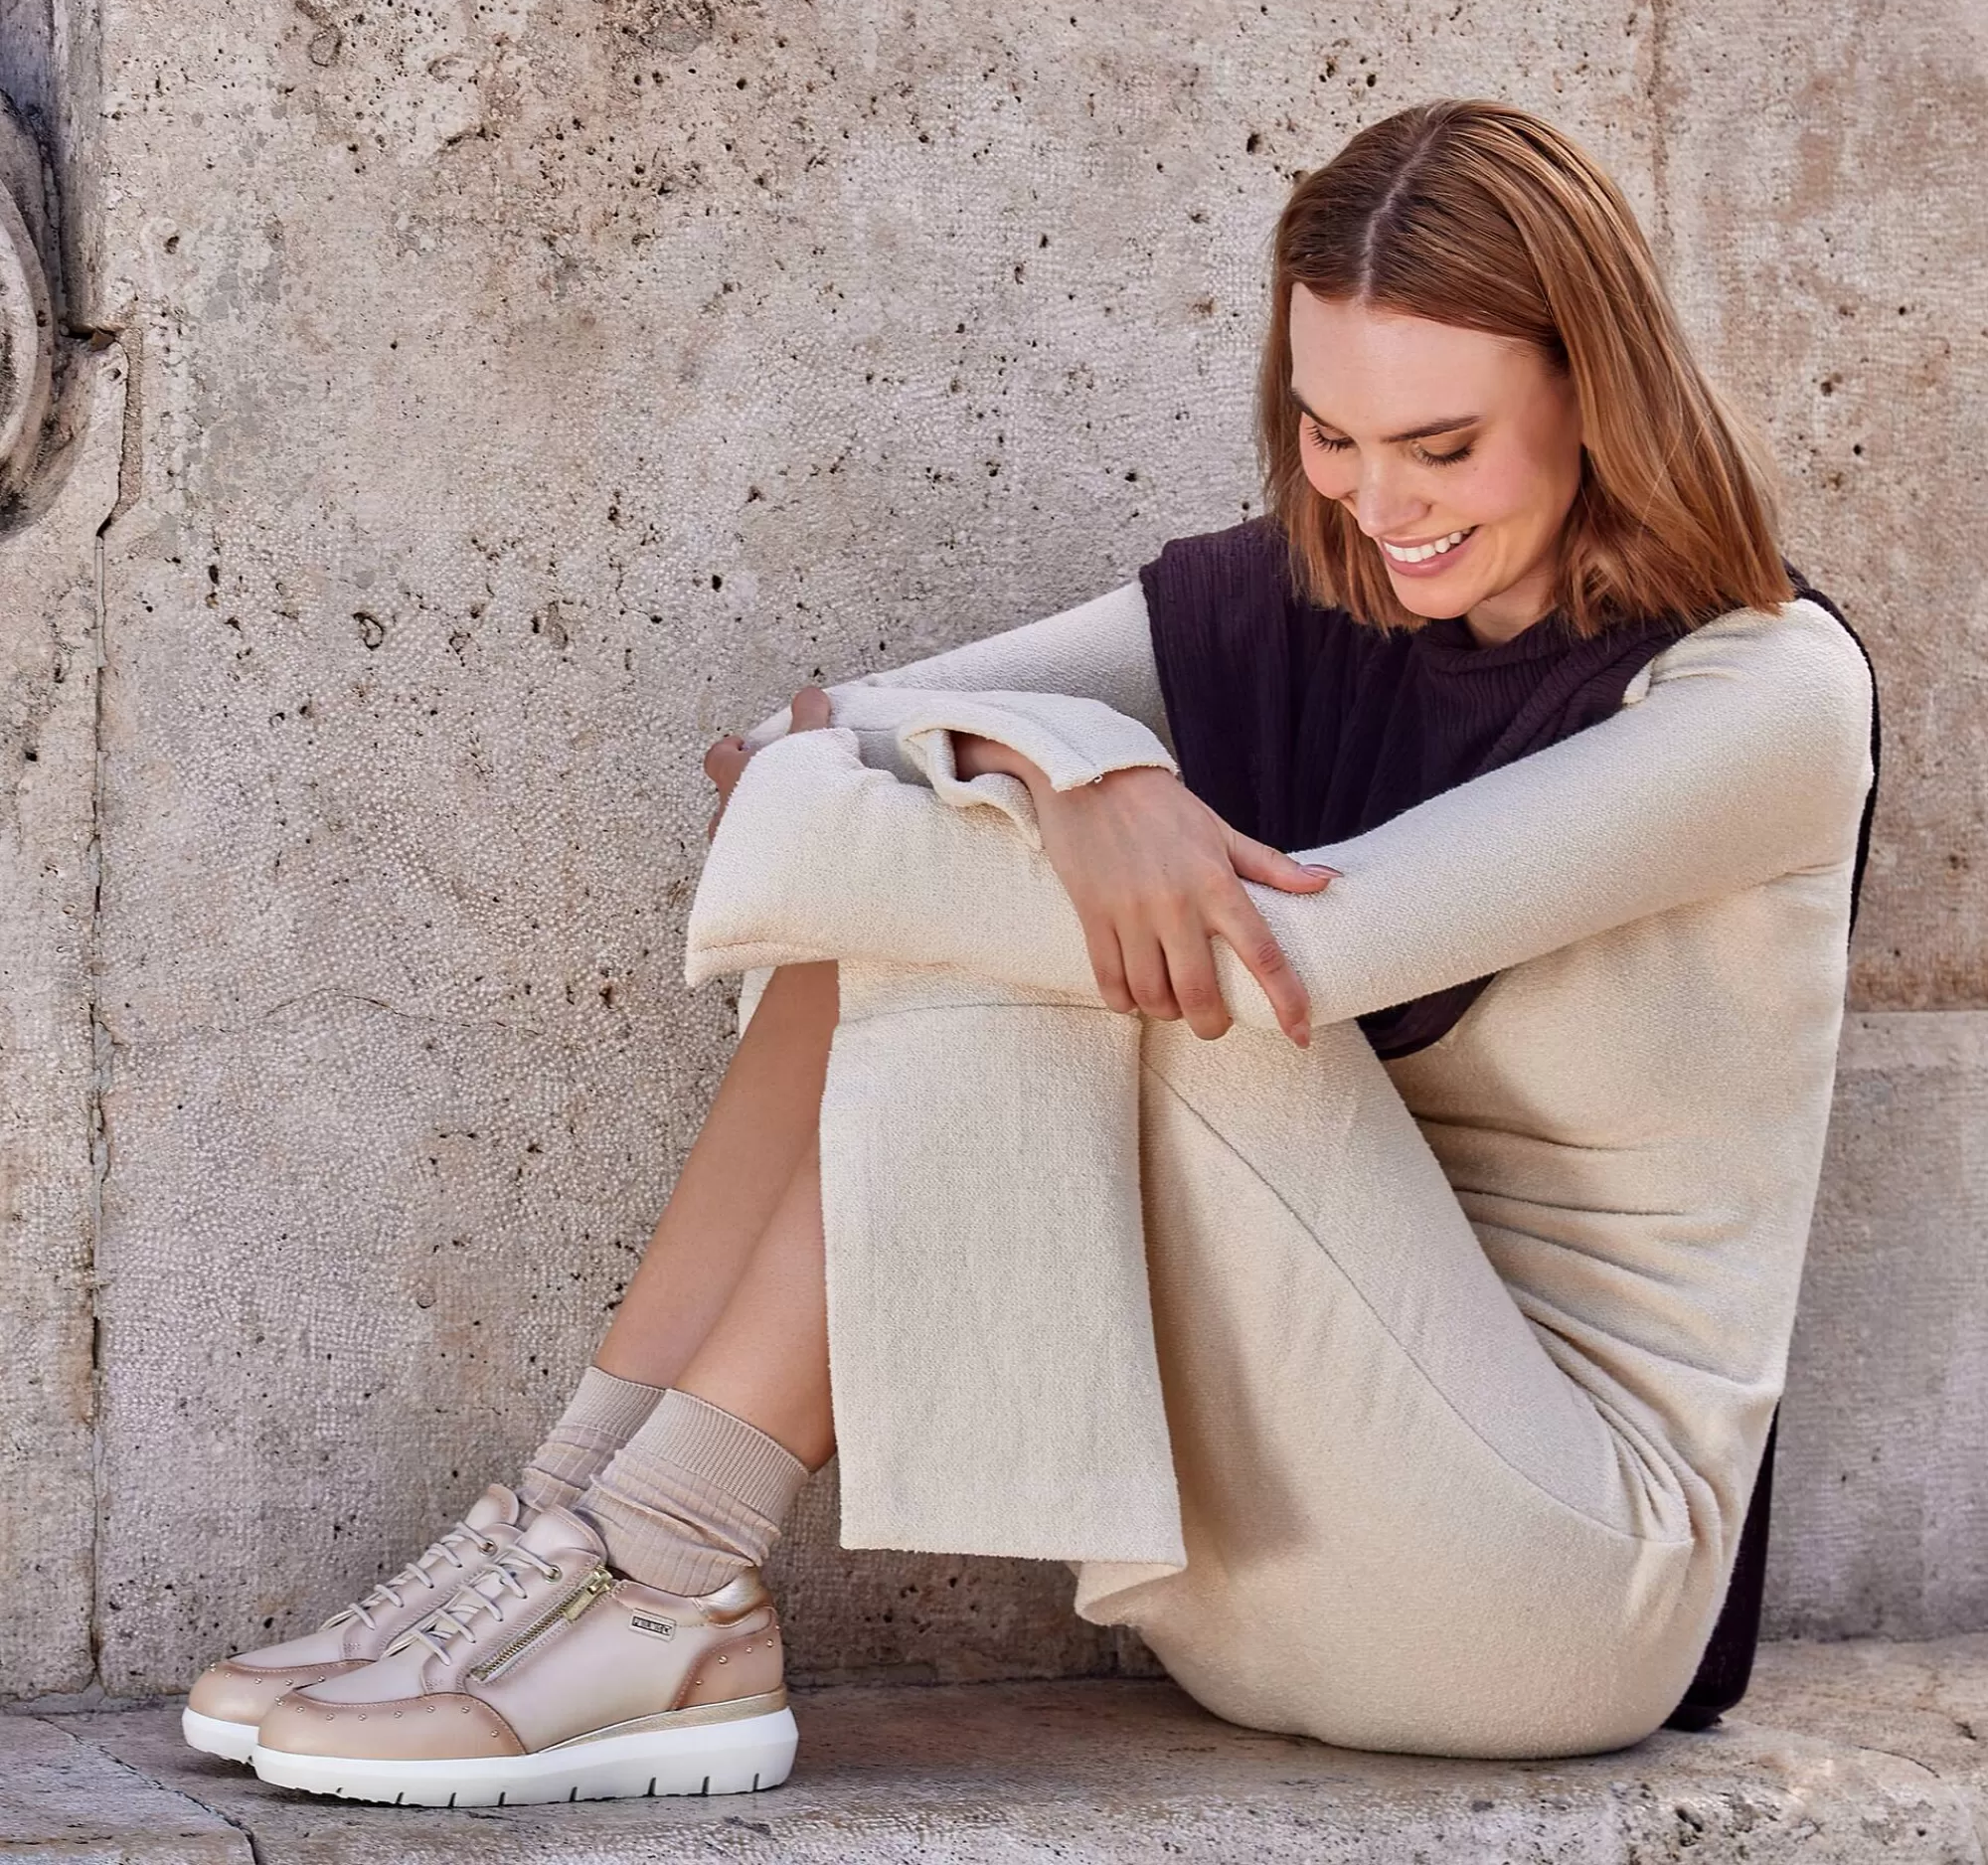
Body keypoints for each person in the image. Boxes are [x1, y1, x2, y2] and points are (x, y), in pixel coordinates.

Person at [181, 97, 1877, 1806]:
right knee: (951, 892)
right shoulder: (1308, 588)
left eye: (1444, 446)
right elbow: (795, 743)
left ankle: (670, 1563)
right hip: (1255, 1540)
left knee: (1051, 936)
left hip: (1555, 1587)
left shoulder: (1765, 698)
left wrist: (1046, 808)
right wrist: (1070, 767)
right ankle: (570, 1528)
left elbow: (1294, 967)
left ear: (1600, 391)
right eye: (1330, 438)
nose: (1379, 503)